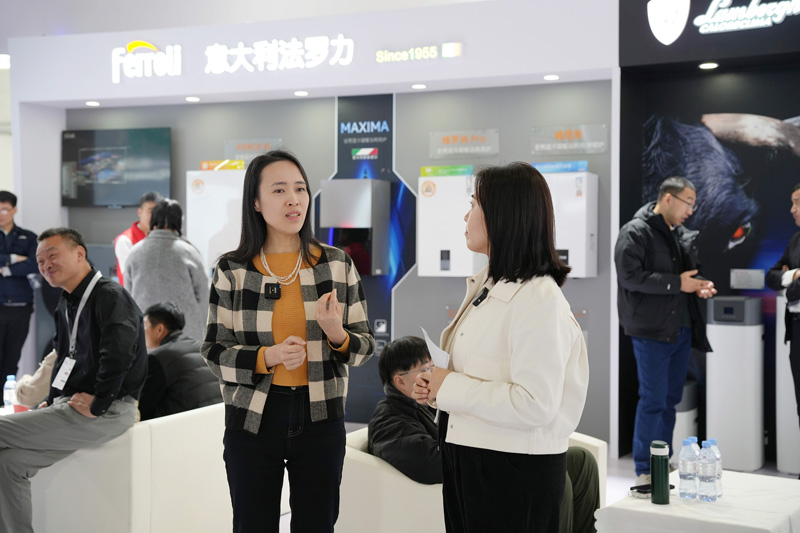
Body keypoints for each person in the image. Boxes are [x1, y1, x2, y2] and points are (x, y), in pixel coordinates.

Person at [201, 150, 375, 533]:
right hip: (252, 416)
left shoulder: (336, 263)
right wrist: (270, 356)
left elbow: (364, 347)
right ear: (256, 202)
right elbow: (214, 352)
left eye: (300, 189)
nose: (293, 199)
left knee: (317, 525)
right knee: (252, 524)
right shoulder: (232, 269)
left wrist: (336, 333)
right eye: (279, 190)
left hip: (321, 414)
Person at [412, 162, 590, 533]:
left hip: (512, 470)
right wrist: (437, 389)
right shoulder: (490, 285)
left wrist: (450, 386)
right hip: (469, 457)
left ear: (502, 215)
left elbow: (535, 403)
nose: (466, 215)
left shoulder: (539, 299)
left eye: (473, 204)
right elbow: (480, 372)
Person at [370, 336, 599, 533]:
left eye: (433, 367)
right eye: (424, 369)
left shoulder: (427, 401)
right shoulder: (388, 421)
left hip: (482, 464)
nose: (431, 374)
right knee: (554, 482)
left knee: (581, 460)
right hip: (473, 480)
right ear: (400, 381)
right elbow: (433, 463)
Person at [0, 227, 147, 533]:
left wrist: (99, 404)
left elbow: (118, 355)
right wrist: (52, 399)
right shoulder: (66, 302)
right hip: (74, 404)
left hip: (109, 410)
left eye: (52, 256)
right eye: (40, 261)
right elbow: (65, 358)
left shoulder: (109, 296)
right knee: (8, 464)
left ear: (79, 253)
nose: (45, 265)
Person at [615, 176, 716, 485]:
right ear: (668, 198)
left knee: (670, 400)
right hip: (651, 332)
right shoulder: (635, 231)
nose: (691, 211)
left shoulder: (680, 235)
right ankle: (644, 469)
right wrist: (677, 284)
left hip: (680, 330)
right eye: (688, 203)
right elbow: (629, 277)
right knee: (653, 400)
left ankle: (663, 461)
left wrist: (698, 286)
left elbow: (686, 276)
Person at [124, 198, 209, 342]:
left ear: (153, 220)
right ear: (179, 221)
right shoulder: (189, 252)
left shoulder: (135, 252)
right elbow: (204, 295)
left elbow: (128, 297)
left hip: (145, 331)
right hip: (185, 332)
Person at [138, 302, 221, 420]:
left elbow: (143, 407)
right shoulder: (202, 347)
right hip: (217, 418)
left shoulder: (159, 357)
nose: (141, 332)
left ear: (159, 329)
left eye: (144, 325)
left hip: (185, 424)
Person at [766, 183, 800, 436]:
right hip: (796, 329)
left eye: (797, 202)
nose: (792, 209)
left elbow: (789, 292)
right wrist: (795, 275)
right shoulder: (795, 240)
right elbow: (771, 277)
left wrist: (788, 288)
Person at [0, 190, 38, 391]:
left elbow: (35, 263)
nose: (1, 214)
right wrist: (15, 258)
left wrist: (5, 268)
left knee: (12, 358)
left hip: (20, 306)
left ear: (14, 210)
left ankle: (5, 402)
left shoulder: (28, 237)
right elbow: (25, 262)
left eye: (5, 209)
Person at [114, 191, 162, 286]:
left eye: (158, 212)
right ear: (140, 212)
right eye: (151, 211)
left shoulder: (162, 237)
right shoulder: (125, 240)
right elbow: (131, 275)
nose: (155, 216)